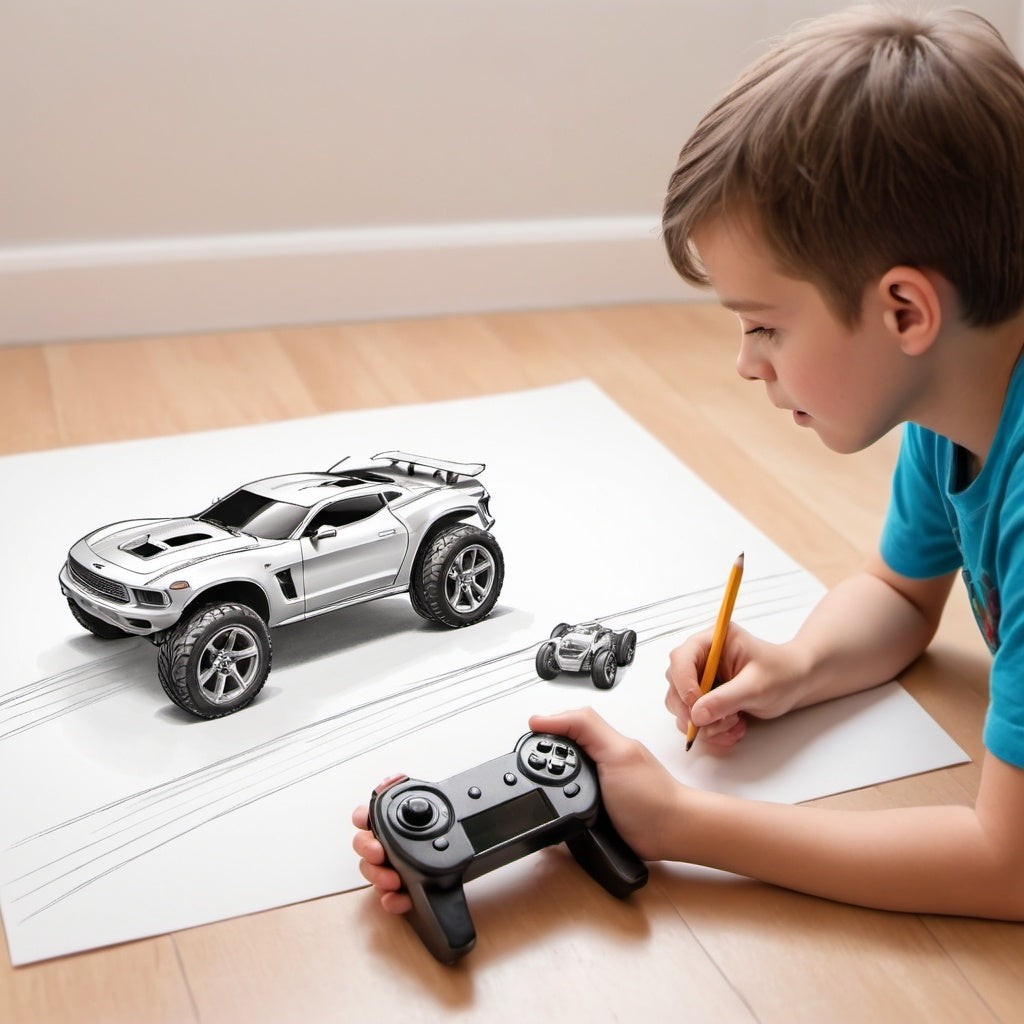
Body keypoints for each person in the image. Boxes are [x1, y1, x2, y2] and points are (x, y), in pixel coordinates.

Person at [352, 4, 1024, 918]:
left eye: (764, 325)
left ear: (905, 312)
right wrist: (797, 665)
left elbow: (1006, 864)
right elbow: (904, 599)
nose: (747, 362)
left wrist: (682, 822)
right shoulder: (956, 407)